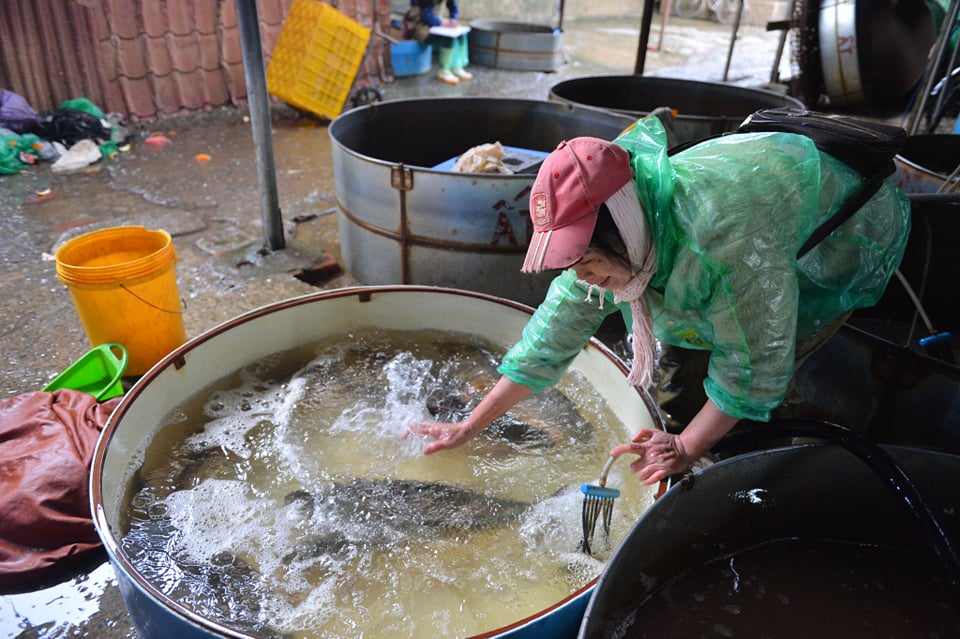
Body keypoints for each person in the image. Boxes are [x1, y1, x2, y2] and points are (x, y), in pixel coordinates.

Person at [410, 114, 911, 485]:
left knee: (774, 354)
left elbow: (754, 362)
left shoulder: (722, 247)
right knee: (712, 340)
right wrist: (470, 424)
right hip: (760, 201)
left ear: (625, 228)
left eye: (588, 262)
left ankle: (784, 456)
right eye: (571, 264)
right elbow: (550, 339)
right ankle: (718, 427)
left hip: (843, 229)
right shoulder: (611, 246)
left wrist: (687, 447)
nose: (583, 276)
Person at [404, 0, 472, 85]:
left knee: (460, 34)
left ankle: (456, 66)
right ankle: (444, 70)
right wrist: (445, 24)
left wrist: (453, 19)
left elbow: (453, 7)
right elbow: (427, 17)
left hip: (436, 22)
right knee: (447, 37)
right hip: (420, 25)